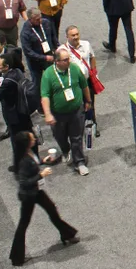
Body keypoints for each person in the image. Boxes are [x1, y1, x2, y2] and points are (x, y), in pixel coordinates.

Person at [9, 130, 78, 266]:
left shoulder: (28, 153)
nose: (34, 138)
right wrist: (41, 175)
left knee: (52, 210)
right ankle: (17, 256)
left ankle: (67, 234)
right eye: (31, 138)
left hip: (36, 191)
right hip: (29, 195)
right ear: (26, 143)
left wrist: (42, 161)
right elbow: (24, 182)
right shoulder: (23, 161)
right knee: (24, 224)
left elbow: (33, 163)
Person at [40, 46, 91, 176]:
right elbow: (45, 96)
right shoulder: (48, 74)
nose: (68, 61)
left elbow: (84, 85)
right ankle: (65, 149)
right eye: (65, 60)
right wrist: (47, 114)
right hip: (58, 114)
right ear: (57, 61)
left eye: (68, 58)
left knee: (77, 137)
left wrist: (88, 101)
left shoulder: (74, 69)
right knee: (59, 136)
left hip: (76, 110)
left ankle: (79, 162)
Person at [0, 52, 35, 169]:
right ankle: (35, 157)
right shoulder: (18, 72)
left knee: (16, 140)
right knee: (30, 133)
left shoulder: (7, 82)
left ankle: (17, 165)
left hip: (13, 115)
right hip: (24, 110)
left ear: (6, 67)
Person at [64, 25, 101, 137]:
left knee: (90, 103)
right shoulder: (63, 51)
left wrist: (94, 72)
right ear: (67, 37)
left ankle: (92, 124)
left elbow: (92, 57)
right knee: (77, 106)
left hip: (87, 81)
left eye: (77, 34)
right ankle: (78, 126)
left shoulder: (86, 44)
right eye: (73, 35)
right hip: (75, 84)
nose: (75, 37)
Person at [102, 0, 136, 64]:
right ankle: (132, 54)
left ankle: (112, 46)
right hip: (126, 8)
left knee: (113, 28)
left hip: (113, 10)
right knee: (128, 30)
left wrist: (106, 8)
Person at [20, 8, 59, 90]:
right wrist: (44, 58)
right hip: (35, 62)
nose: (40, 20)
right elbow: (28, 52)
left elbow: (53, 37)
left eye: (40, 17)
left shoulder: (46, 23)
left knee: (54, 78)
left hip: (49, 56)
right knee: (37, 83)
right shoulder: (25, 32)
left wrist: (57, 48)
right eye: (37, 19)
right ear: (30, 19)